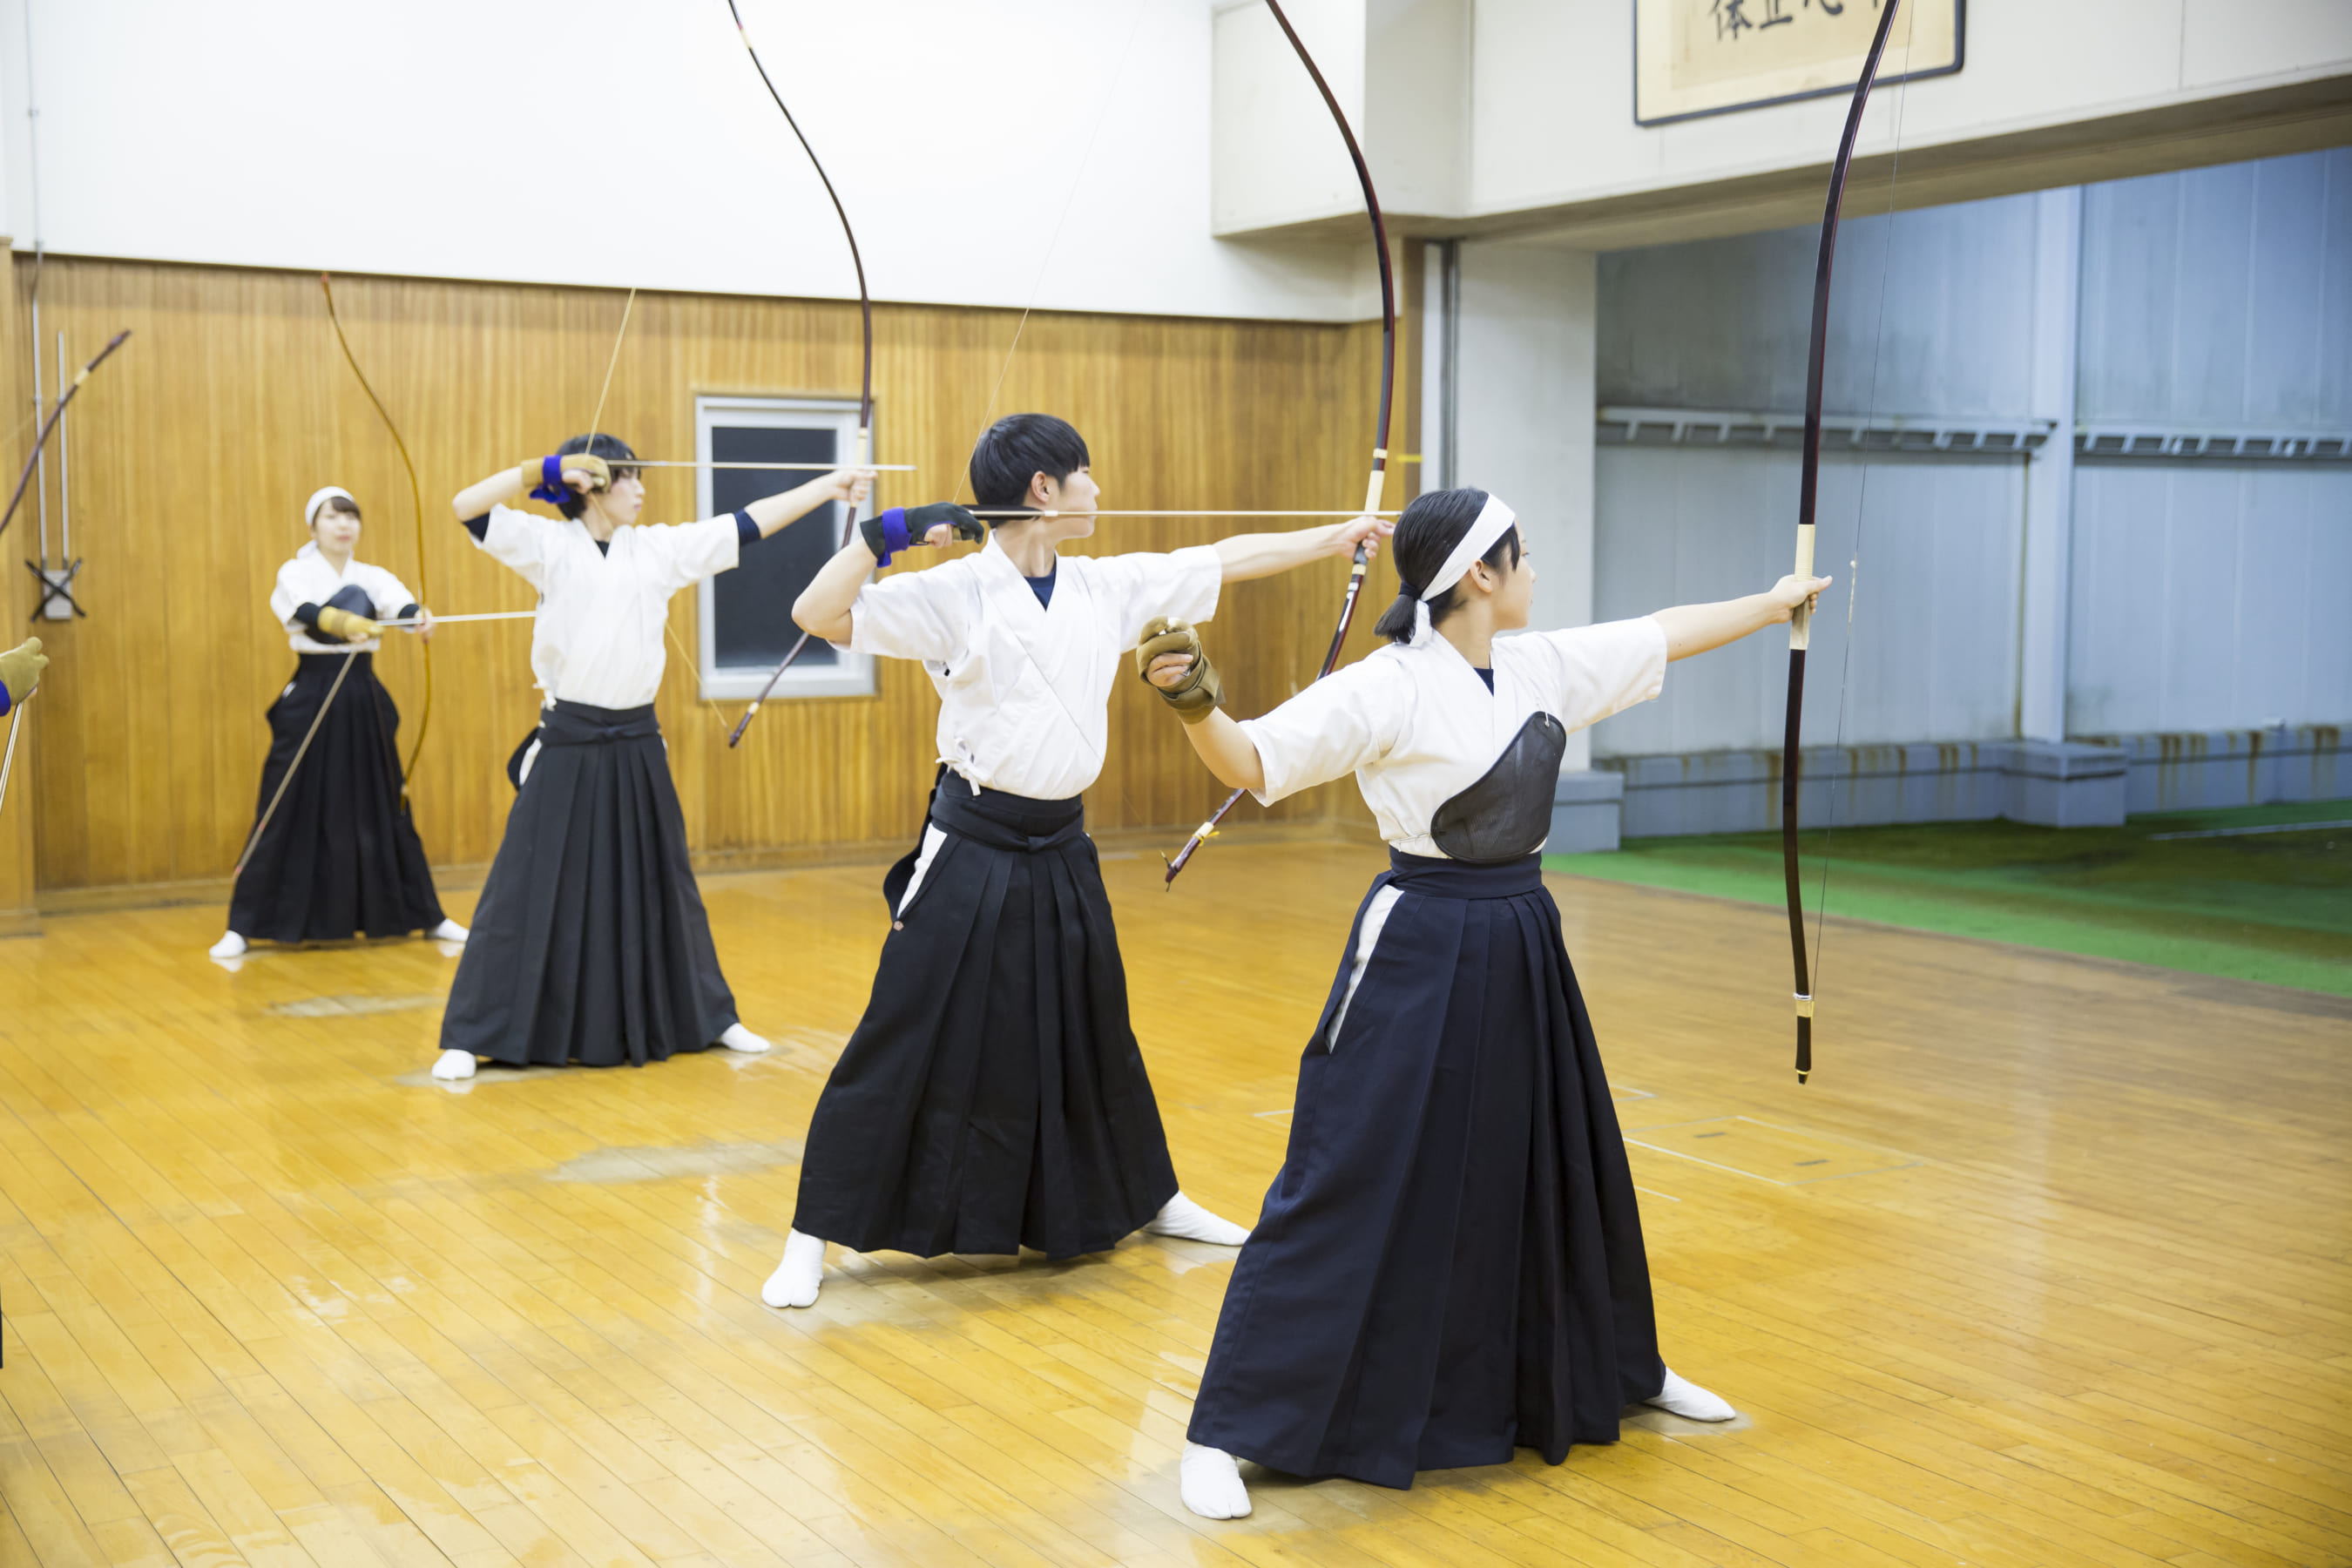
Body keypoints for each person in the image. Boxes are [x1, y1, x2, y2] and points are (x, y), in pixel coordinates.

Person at [1137, 485, 1828, 1517]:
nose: (1535, 570)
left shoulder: (1539, 665)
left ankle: (1618, 1372)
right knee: (1347, 1173)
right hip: (1418, 942)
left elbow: (1660, 636)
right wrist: (1193, 699)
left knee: (1559, 1157)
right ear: (1478, 576)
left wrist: (1773, 604)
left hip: (1521, 938)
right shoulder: (1388, 686)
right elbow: (1250, 762)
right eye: (1524, 555)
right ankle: (1228, 1427)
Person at [762, 412, 1394, 1308]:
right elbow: (814, 613)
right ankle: (810, 1233)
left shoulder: (1108, 585)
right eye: (1086, 476)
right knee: (903, 1029)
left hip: (1061, 843)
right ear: (1043, 491)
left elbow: (1227, 557)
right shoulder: (957, 594)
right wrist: (886, 534)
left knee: (1097, 1023)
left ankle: (1153, 1195)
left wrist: (1336, 538)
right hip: (973, 843)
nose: (1100, 490)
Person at [428, 436, 870, 1078]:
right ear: (592, 485)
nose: (641, 490)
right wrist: (544, 471)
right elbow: (466, 506)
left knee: (664, 881)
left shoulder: (657, 550)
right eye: (628, 479)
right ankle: (473, 1031)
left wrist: (829, 486)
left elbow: (746, 525)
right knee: (524, 885)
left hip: (635, 740)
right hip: (568, 740)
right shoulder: (548, 547)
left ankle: (710, 1018)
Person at [212, 488, 463, 958]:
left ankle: (428, 915)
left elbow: (399, 607)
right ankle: (242, 925)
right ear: (314, 527)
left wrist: (418, 618)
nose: (344, 525)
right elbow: (306, 614)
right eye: (333, 517)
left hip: (362, 696)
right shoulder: (296, 571)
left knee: (388, 803)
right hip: (311, 693)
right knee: (283, 802)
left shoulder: (373, 576)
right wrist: (346, 622)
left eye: (351, 516)